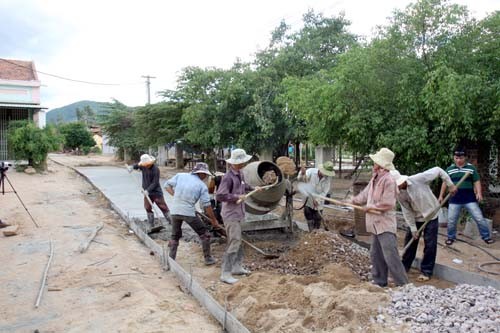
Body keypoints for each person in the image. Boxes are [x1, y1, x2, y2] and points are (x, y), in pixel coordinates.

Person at [349, 148, 408, 287]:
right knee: (376, 255)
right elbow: (365, 194)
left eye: (375, 162)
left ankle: (404, 285)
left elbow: (388, 203)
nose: (373, 164)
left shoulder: (389, 181)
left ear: (381, 165)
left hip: (385, 224)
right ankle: (380, 281)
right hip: (375, 224)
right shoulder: (375, 178)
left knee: (391, 256)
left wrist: (372, 207)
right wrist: (355, 200)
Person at [391, 168, 457, 281]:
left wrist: (450, 185)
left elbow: (438, 170)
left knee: (430, 244)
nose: (397, 187)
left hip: (431, 214)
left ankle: (426, 272)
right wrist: (412, 228)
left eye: (398, 185)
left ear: (402, 181)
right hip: (416, 218)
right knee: (410, 242)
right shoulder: (399, 193)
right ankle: (404, 267)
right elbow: (407, 211)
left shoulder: (418, 179)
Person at [164, 162, 224, 265]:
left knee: (175, 236)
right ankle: (208, 259)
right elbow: (207, 205)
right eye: (205, 174)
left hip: (175, 211)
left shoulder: (180, 176)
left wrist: (177, 198)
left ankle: (171, 260)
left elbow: (166, 186)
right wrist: (214, 220)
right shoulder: (201, 186)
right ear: (200, 173)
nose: (205, 177)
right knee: (205, 234)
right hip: (188, 213)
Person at [216, 148, 260, 284]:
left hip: (238, 212)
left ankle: (237, 267)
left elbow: (243, 186)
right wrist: (236, 197)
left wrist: (253, 188)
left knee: (238, 239)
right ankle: (226, 272)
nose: (245, 164)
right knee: (234, 241)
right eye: (243, 162)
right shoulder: (227, 177)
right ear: (236, 162)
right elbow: (220, 195)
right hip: (230, 214)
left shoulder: (240, 173)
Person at [438, 147, 495, 245]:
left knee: (479, 218)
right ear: (453, 157)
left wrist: (479, 193)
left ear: (465, 158)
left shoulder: (471, 168)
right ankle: (451, 237)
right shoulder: (449, 169)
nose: (458, 160)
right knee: (451, 220)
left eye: (461, 158)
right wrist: (441, 196)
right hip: (454, 199)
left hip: (470, 199)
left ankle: (486, 237)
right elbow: (444, 183)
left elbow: (476, 181)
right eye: (456, 158)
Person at [129, 154, 171, 233]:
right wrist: (131, 167)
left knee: (163, 207)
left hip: (156, 192)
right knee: (147, 207)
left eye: (147, 165)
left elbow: (155, 182)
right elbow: (136, 166)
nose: (146, 166)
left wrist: (148, 190)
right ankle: (151, 224)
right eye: (145, 165)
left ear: (150, 163)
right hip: (146, 193)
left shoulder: (155, 169)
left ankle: (172, 223)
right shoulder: (143, 166)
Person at [297, 161, 335, 231]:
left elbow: (324, 192)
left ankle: (317, 231)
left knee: (318, 217)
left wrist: (317, 199)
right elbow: (300, 179)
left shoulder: (327, 179)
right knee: (308, 213)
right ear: (321, 169)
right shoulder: (310, 172)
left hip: (319, 198)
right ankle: (311, 232)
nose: (326, 175)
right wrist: (302, 174)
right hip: (308, 197)